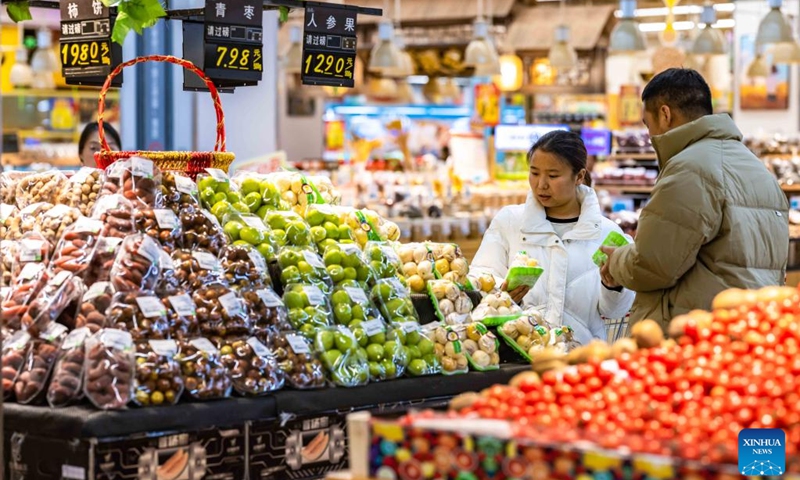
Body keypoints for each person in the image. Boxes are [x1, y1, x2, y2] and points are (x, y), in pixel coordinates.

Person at [600, 68, 789, 330]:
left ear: (665, 114)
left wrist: (617, 260)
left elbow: (653, 266)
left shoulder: (689, 169)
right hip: (749, 327)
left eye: (647, 124)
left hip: (694, 332)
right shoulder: (757, 169)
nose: (649, 135)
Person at [471, 130, 635, 345]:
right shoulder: (510, 221)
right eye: (535, 173)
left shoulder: (606, 234)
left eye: (553, 175)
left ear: (578, 176)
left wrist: (614, 286)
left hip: (581, 355)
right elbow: (481, 278)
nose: (541, 184)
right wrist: (501, 297)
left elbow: (616, 311)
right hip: (518, 351)